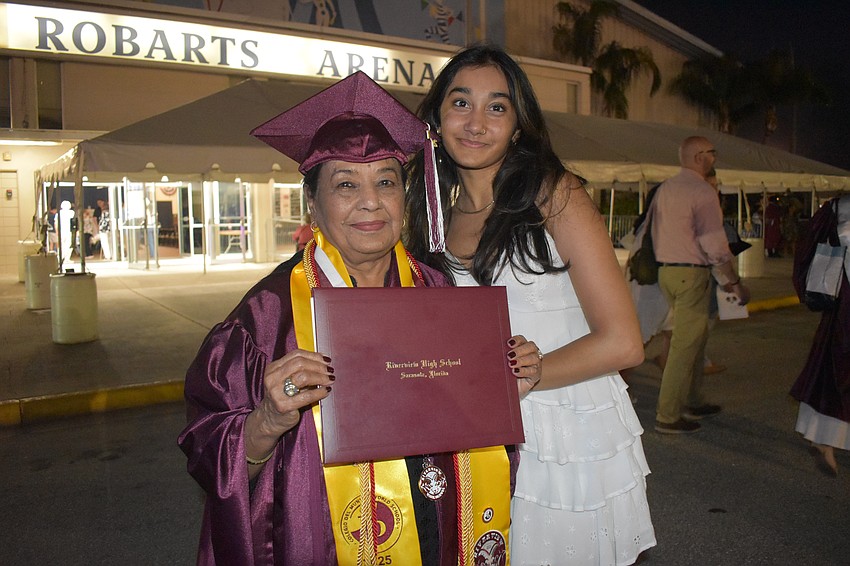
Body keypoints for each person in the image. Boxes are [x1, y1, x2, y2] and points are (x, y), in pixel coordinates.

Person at [178, 71, 516, 565]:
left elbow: (471, 420)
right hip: (325, 542)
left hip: (442, 532)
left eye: (386, 181)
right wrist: (268, 420)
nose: (370, 201)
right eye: (344, 184)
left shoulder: (442, 294)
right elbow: (211, 459)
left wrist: (502, 385)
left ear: (405, 196)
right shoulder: (263, 319)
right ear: (311, 203)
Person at [405, 44, 656, 566]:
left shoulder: (554, 194)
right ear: (436, 117)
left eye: (497, 107)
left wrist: (534, 374)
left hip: (563, 432)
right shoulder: (435, 220)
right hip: (478, 430)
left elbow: (624, 341)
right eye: (461, 103)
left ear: (518, 125)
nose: (476, 123)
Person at [650, 137, 750, 434]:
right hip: (691, 273)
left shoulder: (666, 188)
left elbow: (654, 232)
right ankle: (667, 415)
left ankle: (692, 399)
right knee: (684, 346)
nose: (713, 158)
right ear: (699, 157)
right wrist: (733, 282)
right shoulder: (701, 191)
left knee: (694, 340)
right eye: (711, 153)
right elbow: (714, 244)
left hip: (668, 271)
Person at [791, 195, 850, 477]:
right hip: (846, 301)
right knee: (837, 369)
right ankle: (823, 437)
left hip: (841, 300)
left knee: (830, 365)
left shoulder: (838, 206)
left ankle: (821, 436)